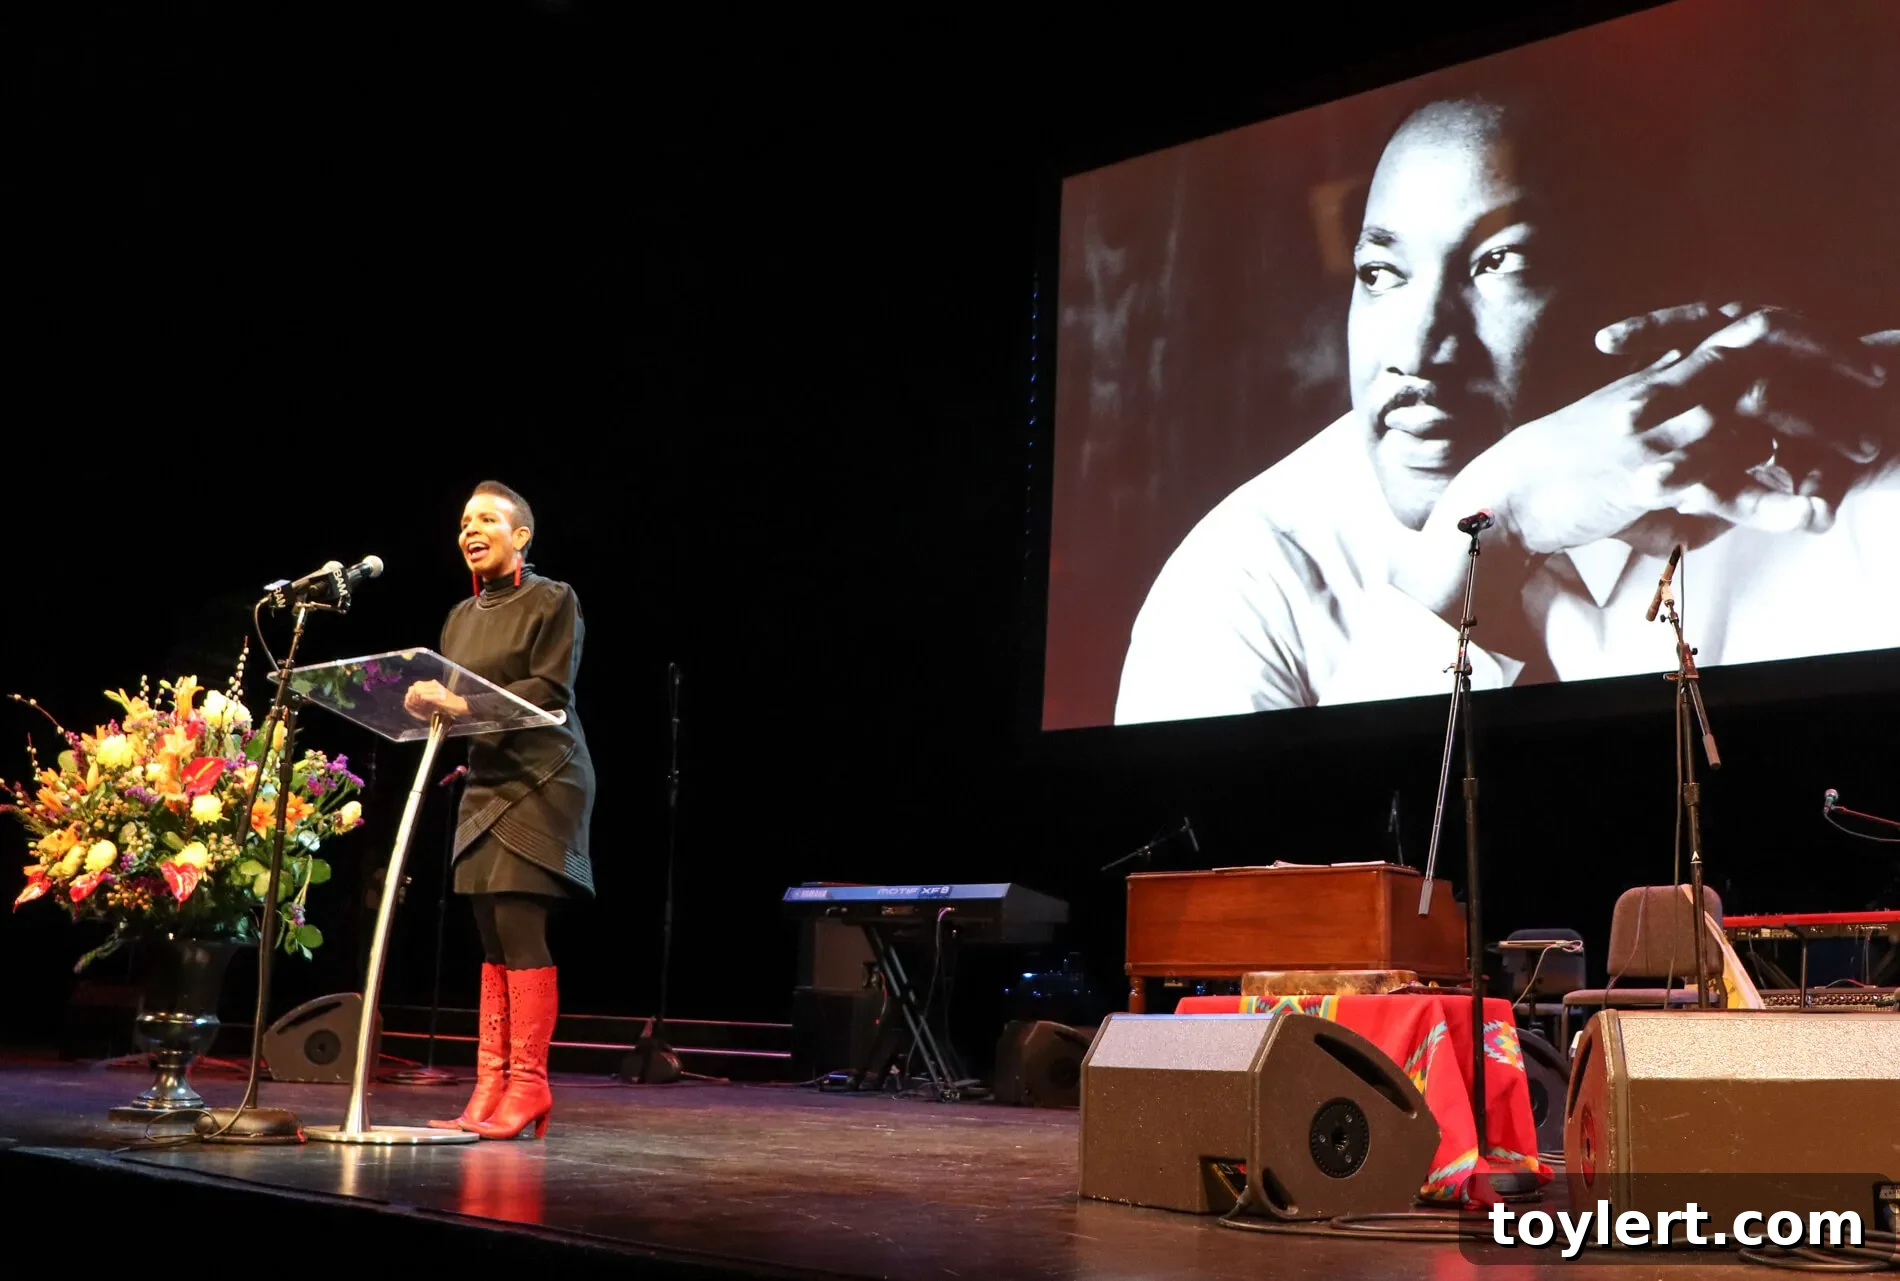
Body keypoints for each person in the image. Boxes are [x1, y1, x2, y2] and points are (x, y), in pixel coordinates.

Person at [1113, 95, 1899, 724]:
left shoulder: (1834, 468)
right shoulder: (1248, 577)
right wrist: (1488, 525)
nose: (1418, 352)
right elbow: (1273, 919)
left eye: (1500, 262)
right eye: (1381, 272)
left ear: (1635, 284)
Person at [404, 480, 594, 1139]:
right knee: (488, 931)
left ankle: (530, 1085)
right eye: (463, 521)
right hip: (486, 775)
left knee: (517, 920)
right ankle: (491, 1082)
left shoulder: (553, 599)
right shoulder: (460, 616)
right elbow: (461, 700)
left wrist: (457, 705)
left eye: (487, 518)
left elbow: (547, 688)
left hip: (543, 774)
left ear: (522, 536)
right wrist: (429, 705)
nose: (469, 529)